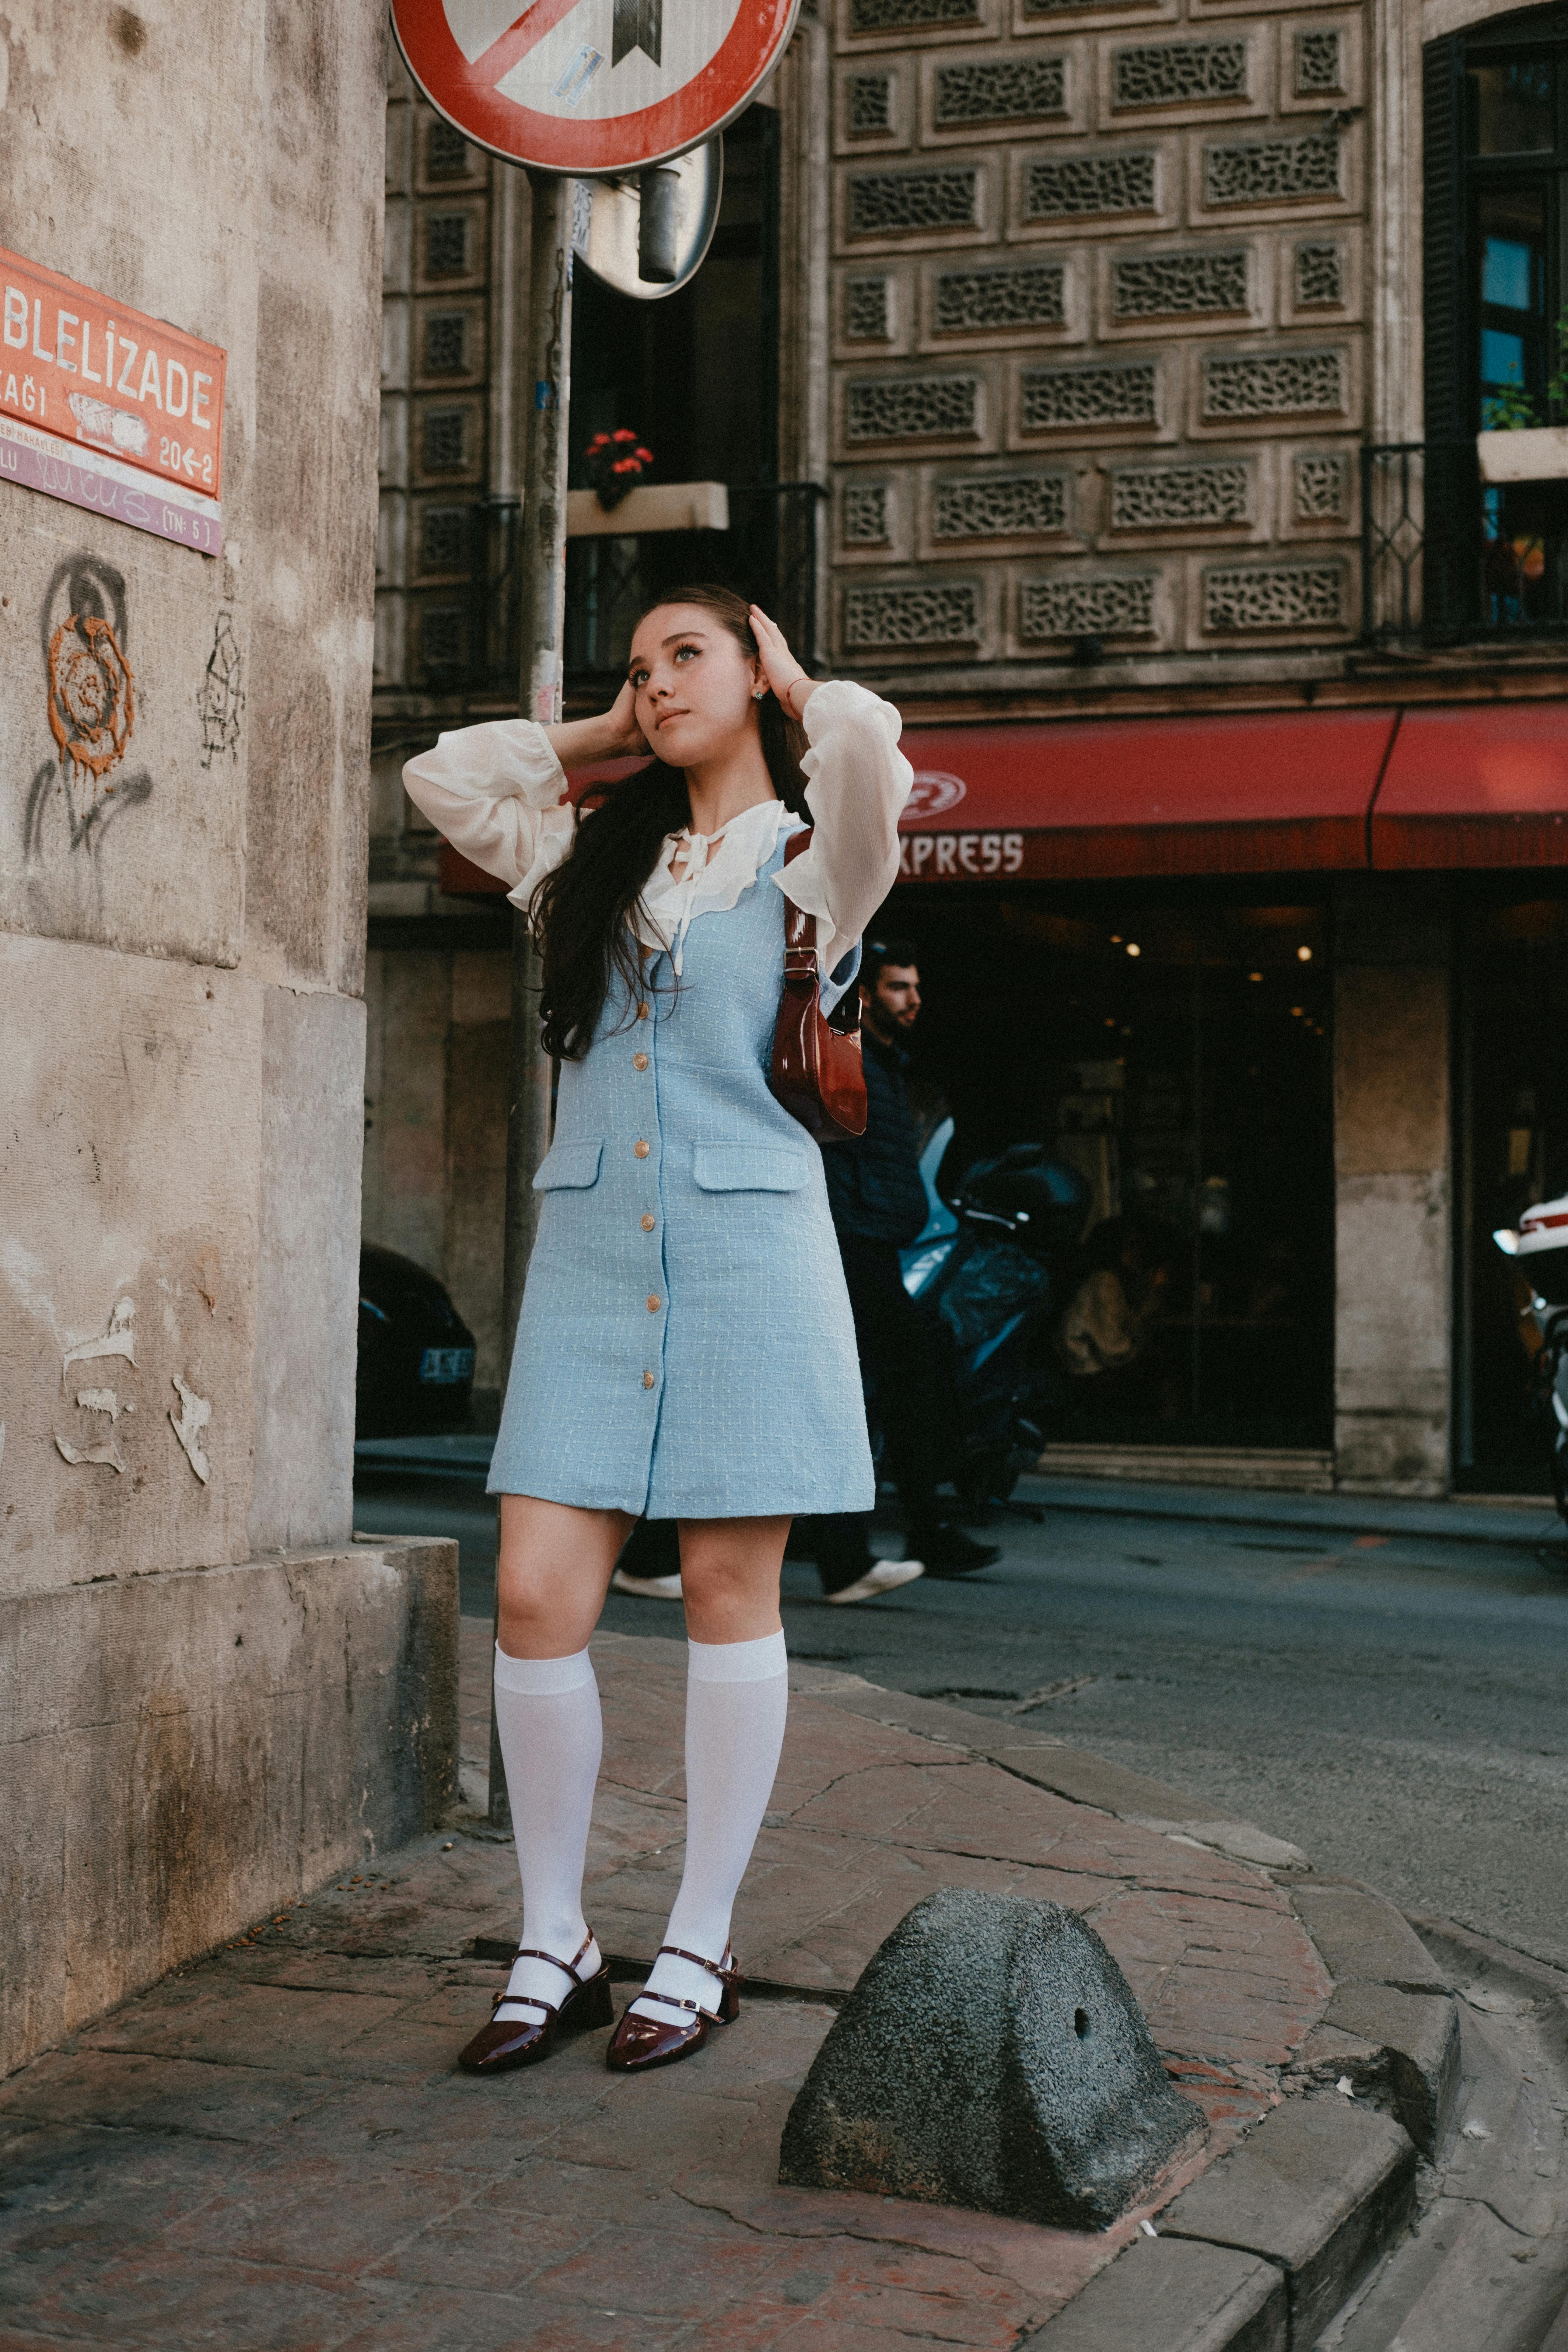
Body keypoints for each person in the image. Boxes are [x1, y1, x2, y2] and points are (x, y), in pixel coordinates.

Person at [402, 587, 910, 2077]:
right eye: (640, 665)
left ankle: (699, 1935)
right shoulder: (590, 856)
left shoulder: (823, 863)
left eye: (687, 655)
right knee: (538, 1592)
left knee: (722, 1590)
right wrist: (604, 729)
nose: (658, 680)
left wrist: (799, 682)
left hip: (753, 1250)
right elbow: (446, 782)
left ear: (753, 671)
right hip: (587, 1262)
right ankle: (551, 1935)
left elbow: (872, 751)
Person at [809, 939, 1001, 1598]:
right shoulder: (847, 1055)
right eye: (897, 987)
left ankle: (880, 1541)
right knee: (883, 1390)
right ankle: (883, 1542)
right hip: (849, 1244)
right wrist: (847, 1222)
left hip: (875, 1244)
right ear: (863, 995)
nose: (913, 999)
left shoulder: (888, 1066)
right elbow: (835, 1153)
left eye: (915, 987)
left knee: (882, 1392)